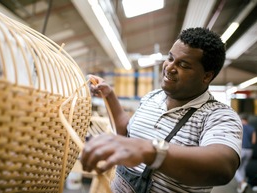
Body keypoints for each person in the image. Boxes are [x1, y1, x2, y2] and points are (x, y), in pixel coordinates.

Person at [81, 27, 242, 192]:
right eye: (171, 58)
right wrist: (109, 96)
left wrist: (150, 151)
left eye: (183, 65)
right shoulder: (152, 97)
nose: (170, 67)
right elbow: (127, 132)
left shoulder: (219, 116)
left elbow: (223, 165)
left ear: (206, 76)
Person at [235, 113, 256, 193]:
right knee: (242, 168)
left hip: (241, 149)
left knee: (235, 169)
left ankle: (242, 183)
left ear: (242, 120)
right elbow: (254, 141)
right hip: (249, 151)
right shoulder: (252, 128)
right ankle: (241, 186)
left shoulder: (239, 127)